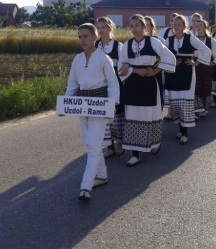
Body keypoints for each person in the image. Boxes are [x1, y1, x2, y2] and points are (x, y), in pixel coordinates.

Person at [63, 23, 120, 202]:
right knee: (90, 144)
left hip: (100, 104)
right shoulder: (77, 59)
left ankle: (86, 186)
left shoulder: (104, 59)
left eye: (85, 36)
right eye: (79, 37)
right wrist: (66, 104)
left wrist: (112, 106)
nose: (82, 40)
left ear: (95, 38)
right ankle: (102, 175)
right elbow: (72, 83)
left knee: (94, 145)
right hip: (82, 104)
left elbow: (113, 84)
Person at [118, 14, 176, 166]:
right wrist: (131, 69)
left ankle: (155, 143)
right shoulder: (126, 45)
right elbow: (121, 67)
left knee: (150, 115)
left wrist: (155, 71)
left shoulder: (153, 42)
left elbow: (170, 58)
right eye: (131, 25)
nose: (134, 28)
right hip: (132, 83)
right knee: (132, 117)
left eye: (137, 25)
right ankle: (135, 154)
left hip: (149, 83)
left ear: (144, 27)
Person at [163, 15, 211, 144]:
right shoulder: (169, 40)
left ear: (185, 26)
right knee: (175, 103)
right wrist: (172, 62)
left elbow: (206, 51)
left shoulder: (190, 38)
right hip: (174, 73)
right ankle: (180, 129)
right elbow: (163, 55)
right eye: (175, 24)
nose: (176, 27)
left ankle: (185, 133)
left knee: (184, 102)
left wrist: (196, 62)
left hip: (187, 72)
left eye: (179, 24)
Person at [95, 17, 125, 158]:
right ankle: (109, 145)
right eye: (98, 27)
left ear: (110, 29)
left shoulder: (118, 46)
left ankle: (120, 142)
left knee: (117, 112)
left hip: (114, 82)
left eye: (103, 27)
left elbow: (123, 64)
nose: (100, 30)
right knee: (104, 115)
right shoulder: (95, 45)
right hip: (100, 83)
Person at [194, 19, 216, 117]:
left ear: (205, 27)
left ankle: (204, 108)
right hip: (196, 66)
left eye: (200, 25)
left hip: (206, 67)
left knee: (205, 87)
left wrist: (213, 62)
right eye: (197, 26)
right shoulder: (193, 39)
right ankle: (197, 109)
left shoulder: (211, 40)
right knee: (196, 87)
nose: (198, 27)